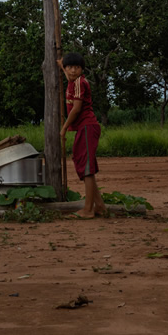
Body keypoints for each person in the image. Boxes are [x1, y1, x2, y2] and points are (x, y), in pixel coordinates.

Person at [59, 51, 108, 219]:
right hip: (84, 128)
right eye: (70, 67)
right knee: (83, 163)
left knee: (86, 168)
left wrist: (64, 127)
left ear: (82, 69)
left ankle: (88, 209)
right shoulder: (73, 81)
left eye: (77, 67)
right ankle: (99, 205)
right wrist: (61, 63)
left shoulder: (80, 82)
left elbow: (76, 109)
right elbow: (67, 74)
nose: (73, 71)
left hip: (87, 126)